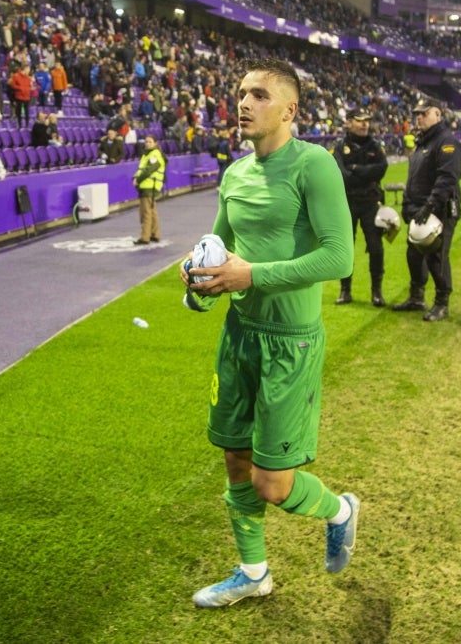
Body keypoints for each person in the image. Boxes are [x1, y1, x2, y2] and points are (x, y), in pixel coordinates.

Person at [181, 59, 357, 608]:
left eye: (259, 94)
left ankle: (341, 511)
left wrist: (249, 275)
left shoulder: (314, 165)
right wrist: (197, 283)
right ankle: (253, 572)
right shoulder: (235, 175)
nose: (244, 102)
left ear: (290, 110)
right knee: (235, 459)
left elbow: (339, 256)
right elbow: (216, 250)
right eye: (240, 93)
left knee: (271, 483)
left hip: (292, 342)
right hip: (240, 335)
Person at [392, 98, 461, 322]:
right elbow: (412, 178)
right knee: (413, 254)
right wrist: (406, 203)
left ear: (438, 115)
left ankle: (442, 302)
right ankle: (417, 297)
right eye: (417, 114)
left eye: (424, 113)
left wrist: (430, 205)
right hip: (418, 209)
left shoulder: (446, 141)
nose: (419, 117)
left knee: (436, 256)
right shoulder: (422, 142)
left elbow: (448, 177)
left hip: (439, 210)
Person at [331, 107, 389, 306]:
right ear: (349, 122)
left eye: (367, 120)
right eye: (360, 119)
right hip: (347, 203)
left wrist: (356, 169)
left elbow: (382, 169)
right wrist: (365, 174)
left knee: (376, 247)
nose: (365, 123)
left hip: (371, 202)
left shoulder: (375, 146)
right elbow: (341, 176)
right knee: (346, 248)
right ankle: (345, 290)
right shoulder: (340, 147)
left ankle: (377, 292)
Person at [132, 134, 165, 245]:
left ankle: (145, 237)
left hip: (148, 186)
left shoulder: (154, 155)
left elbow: (148, 170)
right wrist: (136, 177)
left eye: (150, 142)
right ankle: (154, 234)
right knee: (152, 211)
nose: (147, 143)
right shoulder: (148, 154)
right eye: (146, 141)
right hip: (148, 186)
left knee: (145, 213)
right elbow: (142, 169)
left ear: (155, 143)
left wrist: (138, 179)